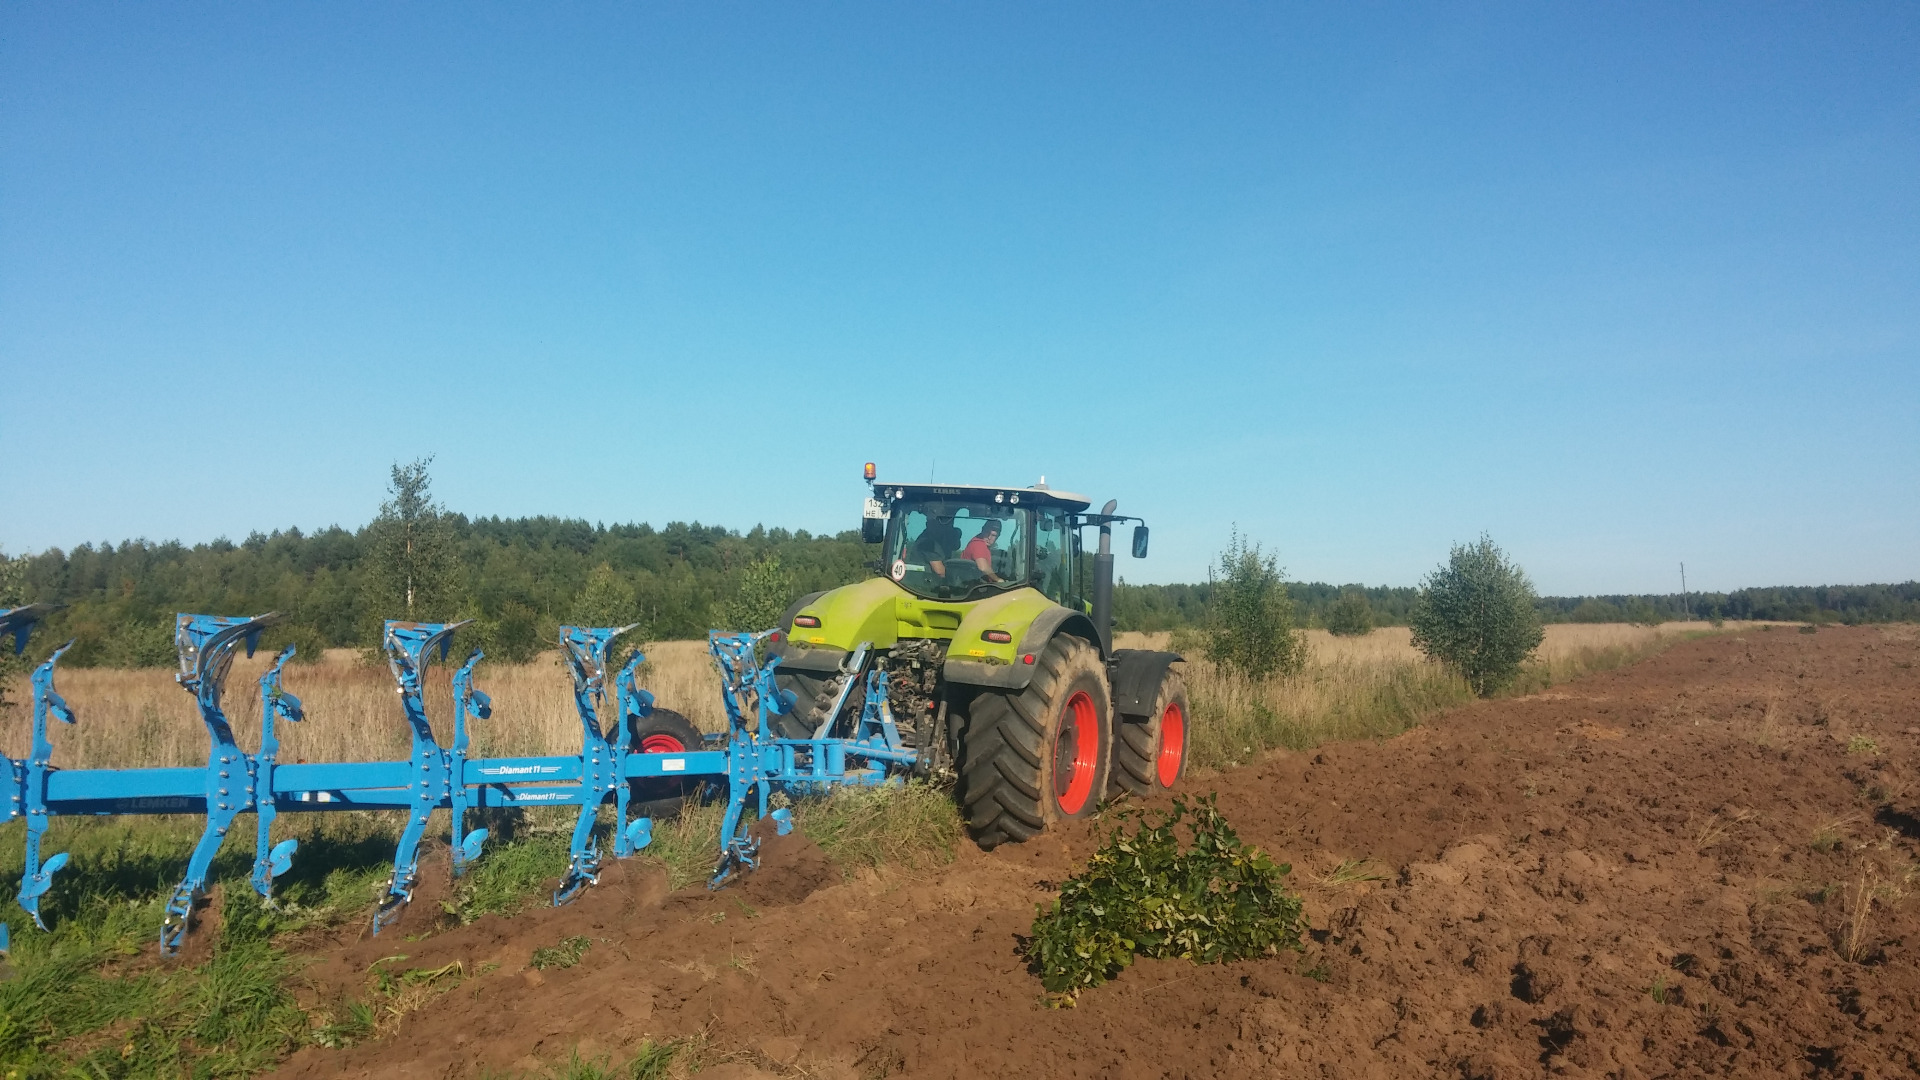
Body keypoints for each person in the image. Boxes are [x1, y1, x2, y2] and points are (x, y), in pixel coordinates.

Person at [961, 518, 1003, 583]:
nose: (989, 537)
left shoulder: (977, 543)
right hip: (974, 587)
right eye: (987, 533)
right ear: (982, 530)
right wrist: (998, 579)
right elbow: (983, 567)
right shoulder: (978, 544)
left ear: (998, 536)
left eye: (993, 535)